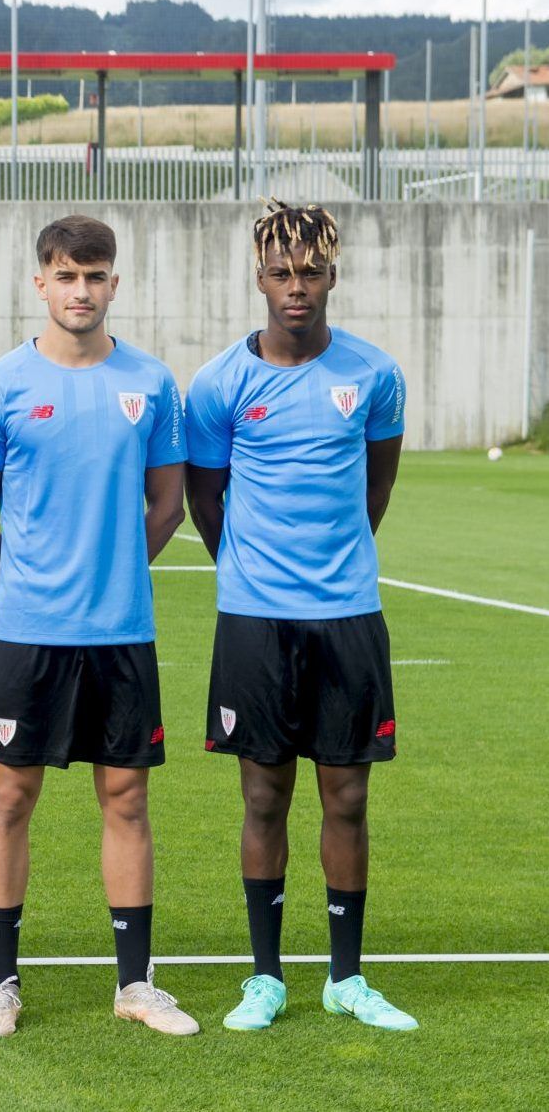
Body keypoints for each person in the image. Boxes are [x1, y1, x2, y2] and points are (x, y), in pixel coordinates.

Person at [0, 214, 196, 1038]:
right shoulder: (0, 387)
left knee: (126, 797)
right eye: (65, 275)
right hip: (28, 633)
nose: (80, 290)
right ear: (41, 283)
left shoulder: (151, 383)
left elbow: (168, 503)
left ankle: (136, 985)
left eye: (94, 276)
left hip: (121, 631)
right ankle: (0, 984)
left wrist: (115, 572)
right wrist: (30, 585)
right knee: (10, 795)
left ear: (113, 283)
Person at [185, 200, 415, 1033]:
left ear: (332, 276)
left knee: (347, 797)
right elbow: (206, 500)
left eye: (311, 272)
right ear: (260, 277)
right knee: (263, 796)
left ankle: (346, 979)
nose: (297, 288)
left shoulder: (375, 375)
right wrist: (253, 574)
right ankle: (266, 978)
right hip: (254, 619)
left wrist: (332, 568)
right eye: (282, 273)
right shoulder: (219, 383)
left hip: (348, 616)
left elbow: (376, 488)